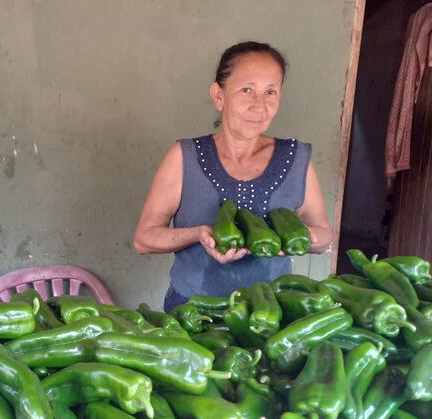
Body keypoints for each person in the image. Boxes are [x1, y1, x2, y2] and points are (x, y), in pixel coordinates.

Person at [134, 41, 333, 312]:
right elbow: (144, 238)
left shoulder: (296, 158)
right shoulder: (185, 156)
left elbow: (323, 237)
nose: (259, 105)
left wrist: (290, 238)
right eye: (246, 90)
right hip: (193, 314)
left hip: (273, 316)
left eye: (271, 92)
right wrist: (199, 234)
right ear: (219, 95)